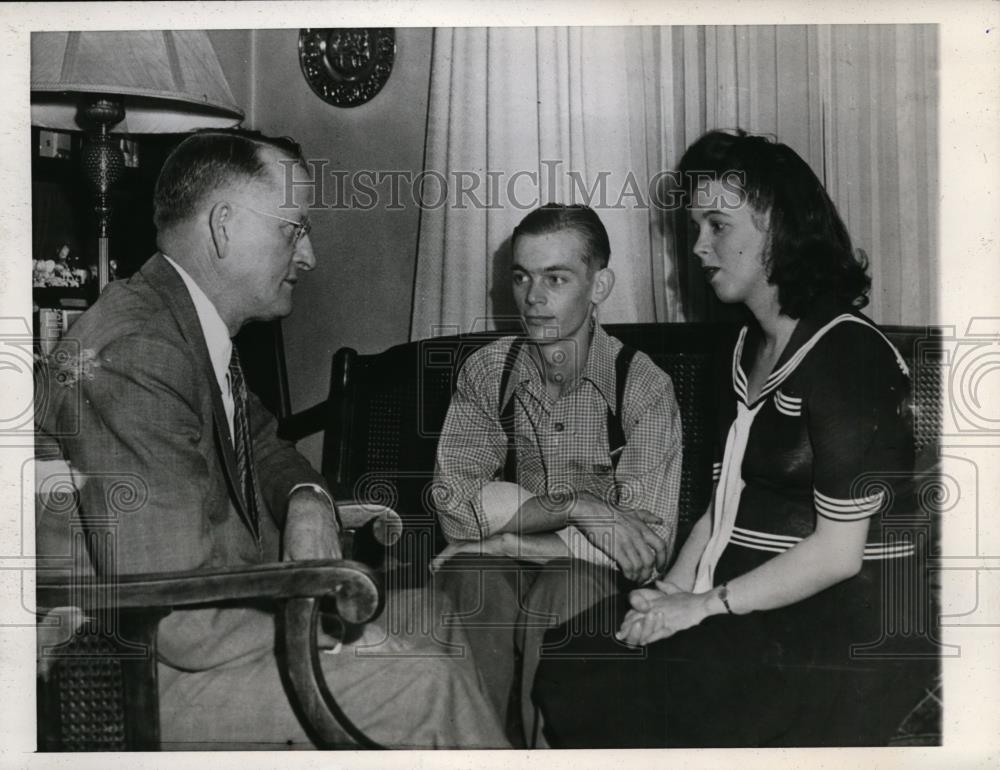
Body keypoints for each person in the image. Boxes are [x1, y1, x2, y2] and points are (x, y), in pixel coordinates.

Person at [35, 129, 507, 750]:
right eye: (293, 229)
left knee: (439, 617)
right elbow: (184, 623)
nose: (308, 256)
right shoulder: (136, 352)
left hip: (217, 622)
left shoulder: (187, 327)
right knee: (426, 681)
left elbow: (265, 444)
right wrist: (332, 630)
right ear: (225, 226)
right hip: (136, 681)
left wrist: (308, 499)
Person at [531, 130, 935, 747]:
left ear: (777, 229)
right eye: (696, 227)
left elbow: (838, 555)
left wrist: (703, 605)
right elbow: (722, 510)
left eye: (717, 226)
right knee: (571, 658)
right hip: (749, 608)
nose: (698, 248)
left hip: (845, 630)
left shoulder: (849, 355)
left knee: (629, 692)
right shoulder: (744, 347)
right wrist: (669, 592)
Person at [432, 203, 683, 743]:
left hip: (591, 583)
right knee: (468, 578)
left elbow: (646, 548)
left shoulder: (642, 386)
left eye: (556, 278)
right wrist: (578, 508)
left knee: (561, 590)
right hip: (519, 568)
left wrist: (503, 542)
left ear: (599, 285)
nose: (532, 297)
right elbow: (456, 510)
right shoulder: (488, 371)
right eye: (521, 277)